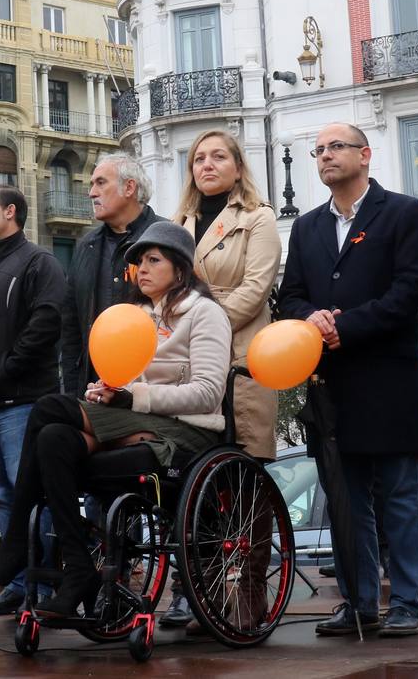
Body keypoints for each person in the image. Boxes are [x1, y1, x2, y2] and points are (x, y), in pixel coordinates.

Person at [0, 221, 231, 617]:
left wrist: (131, 397)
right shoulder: (133, 315)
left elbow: (209, 393)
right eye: (138, 261)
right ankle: (78, 569)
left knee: (49, 409)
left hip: (186, 432)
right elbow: (124, 376)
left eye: (153, 260)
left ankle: (16, 542)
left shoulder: (205, 313)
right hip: (130, 422)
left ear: (180, 268)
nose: (141, 268)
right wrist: (105, 391)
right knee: (53, 437)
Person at [279, 123, 418, 638]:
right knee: (345, 500)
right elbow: (292, 295)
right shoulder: (305, 229)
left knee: (401, 499)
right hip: (332, 386)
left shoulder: (405, 213)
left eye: (335, 147)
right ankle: (358, 602)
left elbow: (411, 290)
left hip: (389, 380)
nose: (324, 156)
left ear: (365, 155)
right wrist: (312, 320)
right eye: (318, 150)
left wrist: (345, 324)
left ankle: (408, 602)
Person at [164, 128, 282, 628]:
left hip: (240, 360)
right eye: (198, 159)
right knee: (195, 480)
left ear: (237, 166)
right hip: (185, 367)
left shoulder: (258, 218)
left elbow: (255, 289)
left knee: (246, 475)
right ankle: (199, 592)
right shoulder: (176, 225)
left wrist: (196, 324)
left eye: (218, 157)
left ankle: (251, 591)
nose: (206, 165)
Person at [0, 185, 67, 617]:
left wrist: (3, 373)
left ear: (11, 212)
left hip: (23, 402)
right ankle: (19, 583)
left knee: (31, 497)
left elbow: (46, 325)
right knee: (3, 497)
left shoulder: (39, 263)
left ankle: (42, 586)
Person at [60, 153, 166, 396]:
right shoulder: (86, 246)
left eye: (100, 183)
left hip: (151, 390)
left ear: (129, 187)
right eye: (91, 184)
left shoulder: (166, 237)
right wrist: (73, 394)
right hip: (92, 389)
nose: (91, 193)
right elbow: (71, 329)